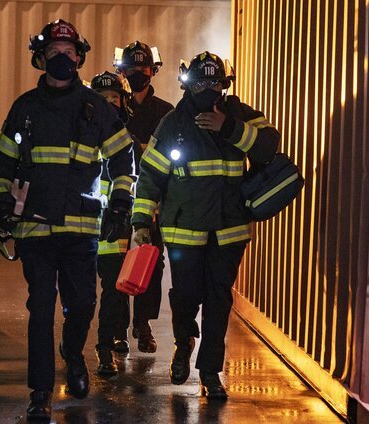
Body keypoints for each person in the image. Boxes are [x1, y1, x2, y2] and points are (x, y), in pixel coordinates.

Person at [0, 19, 135, 421]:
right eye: (54, 53)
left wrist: (121, 201)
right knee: (40, 309)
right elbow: (3, 159)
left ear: (79, 58)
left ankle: (73, 354)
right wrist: (1, 197)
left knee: (83, 304)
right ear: (41, 58)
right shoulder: (25, 108)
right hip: (34, 227)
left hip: (81, 228)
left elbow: (123, 155)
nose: (62, 59)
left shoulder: (95, 108)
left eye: (69, 53)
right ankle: (40, 392)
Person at [130, 51, 280, 400]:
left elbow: (269, 146)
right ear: (187, 84)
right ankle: (184, 344)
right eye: (200, 82)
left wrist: (227, 127)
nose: (207, 89)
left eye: (214, 82)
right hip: (184, 232)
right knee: (185, 297)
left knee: (217, 301)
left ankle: (210, 372)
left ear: (225, 84)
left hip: (228, 233)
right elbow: (150, 175)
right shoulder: (172, 123)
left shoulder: (240, 115)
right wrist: (140, 221)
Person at [111, 41, 174, 355]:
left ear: (154, 71)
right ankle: (119, 329)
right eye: (132, 68)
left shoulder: (166, 112)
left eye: (144, 68)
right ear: (121, 71)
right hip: (118, 200)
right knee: (118, 262)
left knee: (152, 263)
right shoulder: (113, 109)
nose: (138, 73)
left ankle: (143, 324)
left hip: (153, 202)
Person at [88, 70, 134, 376]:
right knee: (79, 295)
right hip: (82, 226)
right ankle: (73, 341)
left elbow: (133, 180)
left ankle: (106, 347)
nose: (108, 103)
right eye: (102, 98)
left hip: (114, 226)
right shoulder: (80, 131)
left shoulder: (126, 139)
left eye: (113, 98)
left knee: (113, 291)